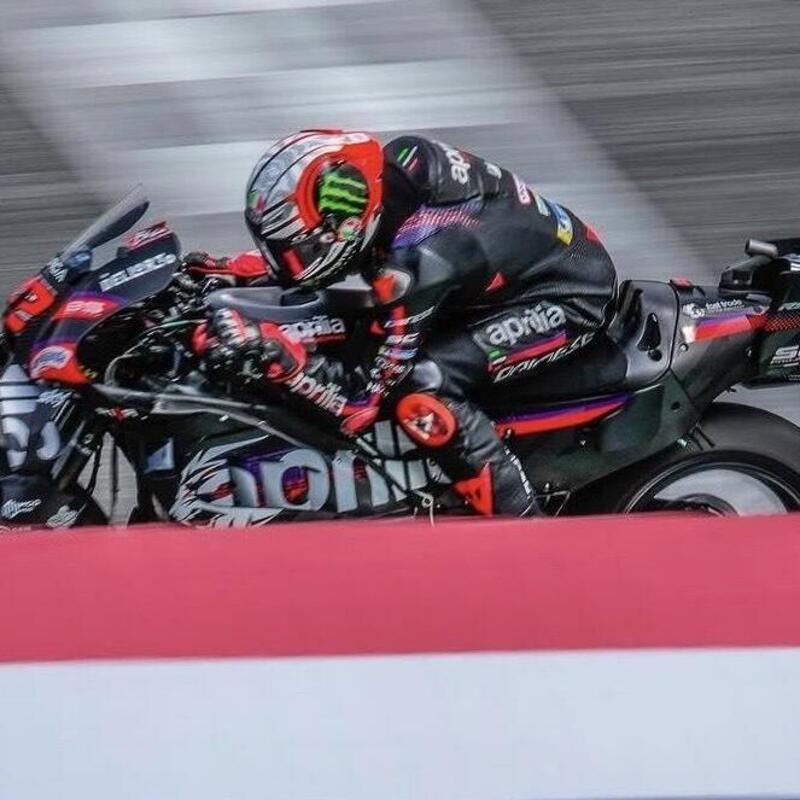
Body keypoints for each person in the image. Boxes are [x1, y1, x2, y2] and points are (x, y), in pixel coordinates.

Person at [185, 129, 617, 516]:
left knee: (421, 387)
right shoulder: (393, 168)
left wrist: (280, 356)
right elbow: (329, 264)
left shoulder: (416, 261)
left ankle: (521, 523)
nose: (289, 266)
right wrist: (239, 271)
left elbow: (358, 403)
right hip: (500, 272)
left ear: (348, 228)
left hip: (566, 296)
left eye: (297, 253)